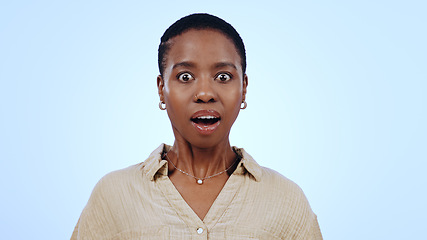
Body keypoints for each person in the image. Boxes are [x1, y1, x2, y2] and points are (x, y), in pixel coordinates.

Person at [71, 13, 323, 239]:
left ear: (244, 88)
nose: (204, 93)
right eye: (185, 77)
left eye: (223, 77)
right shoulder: (114, 194)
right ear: (162, 89)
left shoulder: (286, 199)